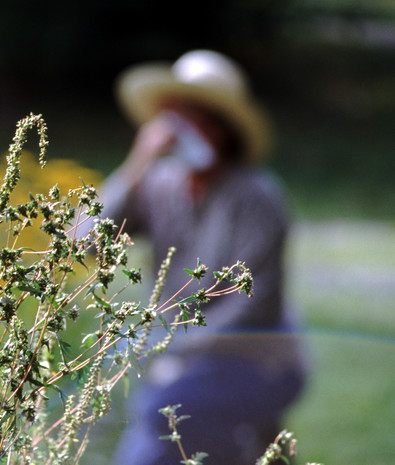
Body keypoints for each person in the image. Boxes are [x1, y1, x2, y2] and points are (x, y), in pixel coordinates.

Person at [94, 50, 307, 465]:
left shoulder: (257, 197)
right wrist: (137, 163)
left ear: (224, 128)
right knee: (174, 425)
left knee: (165, 414)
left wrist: (173, 354)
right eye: (176, 117)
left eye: (199, 116)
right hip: (186, 364)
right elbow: (86, 242)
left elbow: (253, 306)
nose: (186, 128)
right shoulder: (158, 184)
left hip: (258, 363)